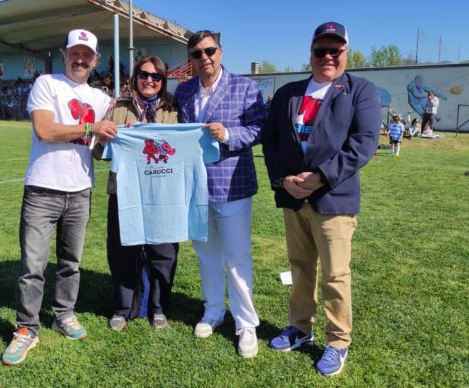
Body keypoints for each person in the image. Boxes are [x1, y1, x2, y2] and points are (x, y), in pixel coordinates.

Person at [262, 22, 381, 376]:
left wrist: (320, 177)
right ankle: (300, 327)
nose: (327, 57)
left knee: (335, 274)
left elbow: (363, 144)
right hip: (294, 197)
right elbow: (271, 141)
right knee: (300, 266)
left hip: (333, 199)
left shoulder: (360, 90)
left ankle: (338, 340)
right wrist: (283, 180)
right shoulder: (288, 93)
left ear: (346, 53)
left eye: (335, 50)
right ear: (311, 52)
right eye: (320, 50)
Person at [1, 29, 118, 365]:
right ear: (64, 55)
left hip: (80, 189)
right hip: (42, 188)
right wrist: (92, 128)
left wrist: (113, 134)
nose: (80, 60)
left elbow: (98, 149)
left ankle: (63, 314)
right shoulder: (46, 84)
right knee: (32, 266)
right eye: (74, 53)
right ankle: (26, 329)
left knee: (71, 263)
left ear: (95, 60)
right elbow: (44, 130)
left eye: (87, 55)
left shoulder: (101, 99)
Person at [175, 30, 267, 358]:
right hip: (197, 187)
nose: (204, 58)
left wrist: (228, 134)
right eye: (197, 54)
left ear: (220, 52)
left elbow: (260, 129)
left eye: (209, 51)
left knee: (237, 258)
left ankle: (246, 323)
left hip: (233, 185)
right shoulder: (184, 91)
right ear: (191, 59)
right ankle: (213, 310)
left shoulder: (245, 87)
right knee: (206, 254)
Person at [95, 56, 179, 331]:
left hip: (162, 194)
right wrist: (106, 139)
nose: (149, 80)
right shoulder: (117, 109)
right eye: (143, 74)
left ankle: (158, 307)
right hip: (124, 193)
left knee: (163, 252)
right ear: (134, 77)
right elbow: (98, 153)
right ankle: (123, 308)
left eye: (156, 77)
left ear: (163, 81)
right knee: (122, 252)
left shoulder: (174, 110)